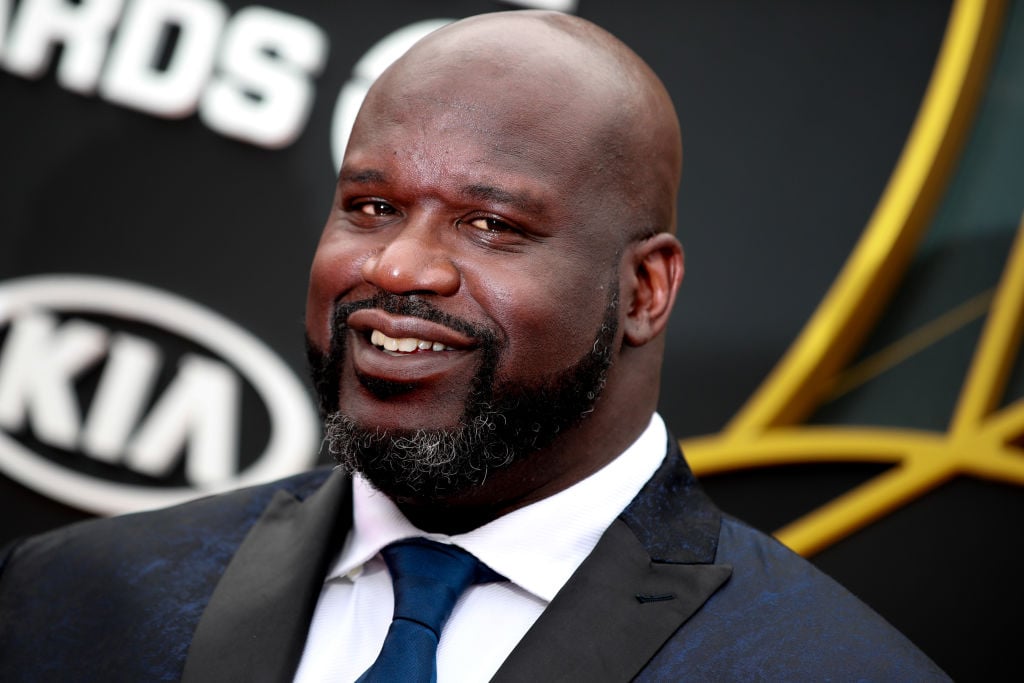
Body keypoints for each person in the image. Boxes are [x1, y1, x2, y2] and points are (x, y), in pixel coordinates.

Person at [0, 10, 948, 682]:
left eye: (491, 225)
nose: (403, 267)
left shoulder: (822, 666)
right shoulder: (73, 599)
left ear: (645, 289)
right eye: (371, 207)